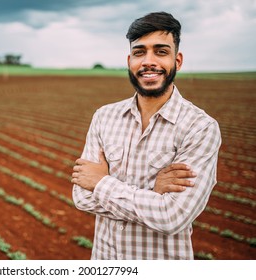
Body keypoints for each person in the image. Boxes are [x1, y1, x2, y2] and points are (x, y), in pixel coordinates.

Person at [71, 11, 221, 260]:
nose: (148, 61)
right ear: (129, 60)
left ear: (178, 60)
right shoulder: (104, 117)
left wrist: (101, 183)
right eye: (140, 52)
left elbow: (172, 217)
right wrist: (153, 193)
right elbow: (81, 197)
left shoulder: (200, 127)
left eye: (161, 52)